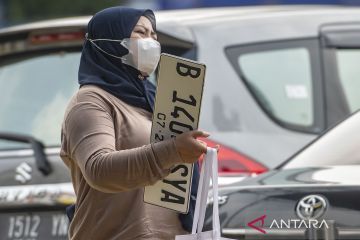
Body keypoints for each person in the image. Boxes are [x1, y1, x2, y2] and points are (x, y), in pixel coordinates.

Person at [60, 7, 211, 240]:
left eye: (154, 35)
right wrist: (173, 151)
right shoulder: (90, 102)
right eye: (141, 33)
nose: (151, 42)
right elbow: (98, 169)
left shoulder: (155, 99)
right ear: (109, 41)